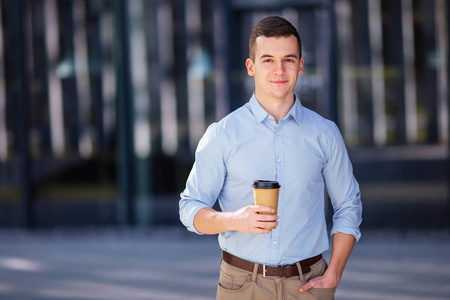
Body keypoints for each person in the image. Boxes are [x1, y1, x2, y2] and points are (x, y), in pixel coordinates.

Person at [179, 16, 362, 300]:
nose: (279, 70)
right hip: (241, 286)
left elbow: (349, 205)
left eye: (289, 60)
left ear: (300, 66)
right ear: (251, 67)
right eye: (268, 60)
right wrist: (233, 220)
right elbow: (190, 208)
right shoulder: (222, 134)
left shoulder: (325, 133)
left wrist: (335, 272)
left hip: (309, 285)